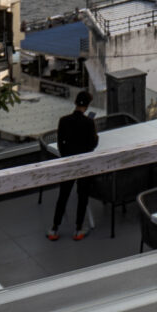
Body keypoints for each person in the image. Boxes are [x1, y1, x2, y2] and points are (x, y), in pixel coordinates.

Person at [47, 90, 99, 241]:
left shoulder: (63, 121)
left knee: (63, 195)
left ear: (75, 102)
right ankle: (78, 229)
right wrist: (96, 136)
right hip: (83, 163)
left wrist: (66, 158)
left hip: (68, 163)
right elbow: (92, 144)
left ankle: (54, 228)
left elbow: (60, 144)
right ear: (87, 106)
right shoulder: (89, 123)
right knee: (82, 195)